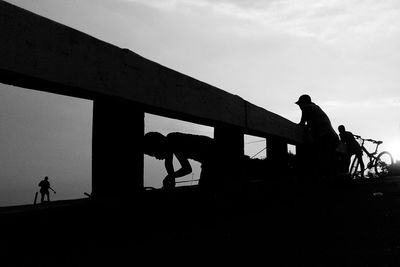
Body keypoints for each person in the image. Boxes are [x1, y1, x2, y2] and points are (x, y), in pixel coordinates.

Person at [143, 132, 219, 190]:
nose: (156, 157)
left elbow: (187, 169)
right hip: (212, 158)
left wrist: (170, 177)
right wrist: (170, 178)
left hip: (213, 159)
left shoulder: (174, 141)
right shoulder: (171, 140)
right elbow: (168, 163)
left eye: (155, 153)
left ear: (159, 145)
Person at [295, 94, 340, 180]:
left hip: (325, 137)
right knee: (329, 159)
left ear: (303, 103)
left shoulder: (306, 107)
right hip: (333, 136)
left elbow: (302, 123)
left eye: (300, 104)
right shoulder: (316, 107)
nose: (299, 106)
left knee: (321, 158)